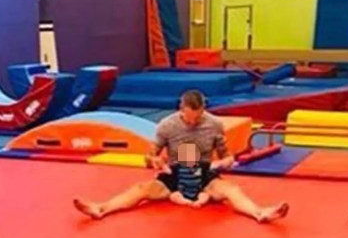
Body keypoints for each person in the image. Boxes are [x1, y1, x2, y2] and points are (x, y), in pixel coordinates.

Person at [72, 90, 289, 223]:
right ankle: (101, 209)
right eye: (189, 119)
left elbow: (227, 157)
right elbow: (151, 155)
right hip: (175, 172)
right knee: (141, 189)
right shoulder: (167, 125)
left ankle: (260, 213)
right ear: (181, 109)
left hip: (204, 172)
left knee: (232, 190)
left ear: (204, 110)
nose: (193, 123)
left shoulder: (214, 124)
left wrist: (221, 163)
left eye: (198, 118)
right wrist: (154, 161)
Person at [166, 142, 214, 209]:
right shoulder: (178, 167)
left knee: (206, 195)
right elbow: (169, 172)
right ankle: (186, 202)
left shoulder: (200, 167)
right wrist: (163, 170)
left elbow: (209, 169)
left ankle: (199, 202)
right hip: (182, 191)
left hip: (197, 191)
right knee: (173, 196)